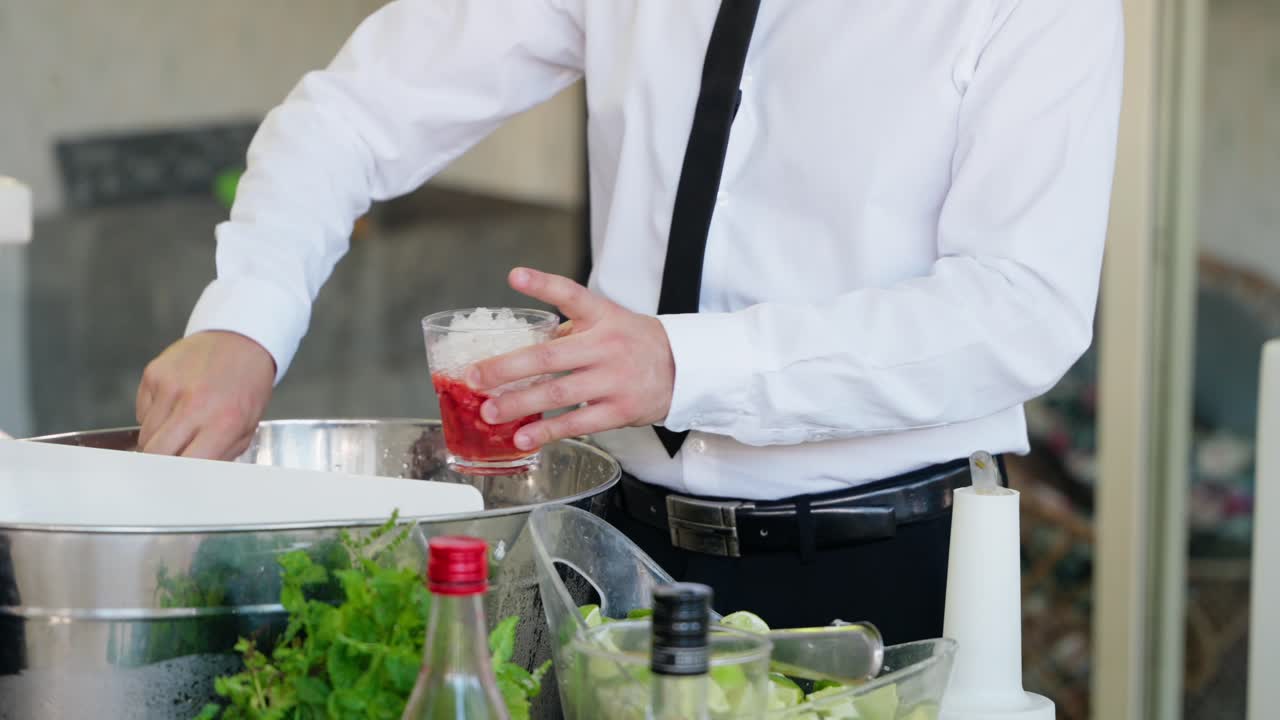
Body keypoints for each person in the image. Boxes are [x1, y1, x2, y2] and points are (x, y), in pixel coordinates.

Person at [135, 0, 1123, 642]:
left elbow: (1017, 309)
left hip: (879, 579)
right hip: (606, 557)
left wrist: (684, 365)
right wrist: (245, 323)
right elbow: (350, 116)